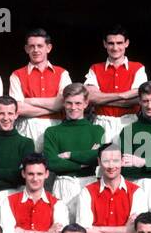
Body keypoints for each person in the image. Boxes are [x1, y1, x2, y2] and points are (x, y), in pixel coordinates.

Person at [75, 143, 149, 233]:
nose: (111, 166)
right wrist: (125, 231)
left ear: (122, 161)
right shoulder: (87, 192)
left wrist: (97, 228)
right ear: (99, 162)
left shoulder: (137, 192)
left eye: (115, 161)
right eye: (106, 161)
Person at [43, 82, 105, 210]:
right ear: (64, 103)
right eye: (69, 103)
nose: (73, 107)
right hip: (63, 183)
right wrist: (83, 162)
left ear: (86, 104)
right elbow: (52, 163)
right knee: (63, 226)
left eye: (78, 103)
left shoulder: (97, 130)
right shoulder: (52, 132)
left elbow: (97, 157)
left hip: (89, 182)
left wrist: (69, 155)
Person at [9, 29, 71, 150]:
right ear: (26, 49)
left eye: (40, 46)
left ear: (48, 48)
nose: (35, 50)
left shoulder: (62, 73)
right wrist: (54, 108)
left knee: (54, 167)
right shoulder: (17, 75)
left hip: (56, 127)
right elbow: (18, 108)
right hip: (26, 129)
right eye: (32, 46)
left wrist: (29, 101)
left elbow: (63, 103)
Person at [84, 26, 147, 141]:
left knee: (128, 158)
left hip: (130, 122)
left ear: (126, 43)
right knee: (101, 158)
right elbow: (92, 98)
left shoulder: (138, 68)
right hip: (101, 124)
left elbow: (139, 99)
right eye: (111, 43)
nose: (115, 47)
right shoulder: (95, 68)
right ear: (105, 44)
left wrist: (102, 99)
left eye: (119, 43)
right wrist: (123, 96)